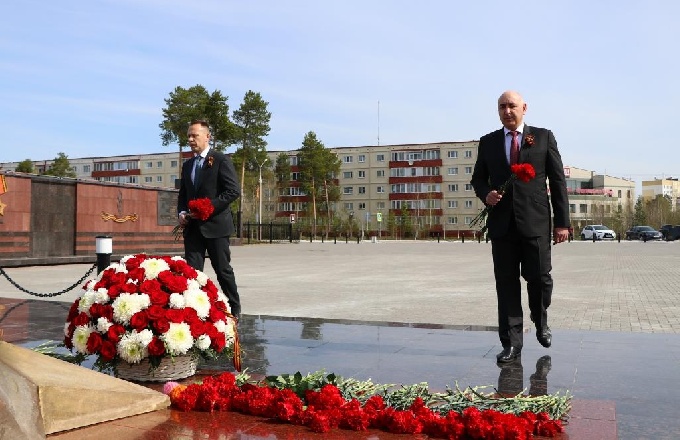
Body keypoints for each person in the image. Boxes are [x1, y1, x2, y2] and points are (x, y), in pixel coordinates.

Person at [470, 91, 570, 363]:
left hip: (536, 223)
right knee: (506, 285)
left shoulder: (543, 137)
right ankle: (512, 343)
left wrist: (563, 222)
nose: (507, 111)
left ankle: (540, 321)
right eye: (502, 107)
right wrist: (486, 193)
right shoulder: (488, 142)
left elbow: (558, 182)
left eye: (511, 106)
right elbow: (478, 178)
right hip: (502, 226)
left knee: (540, 278)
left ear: (524, 108)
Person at [177, 119, 242, 319]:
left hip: (216, 226)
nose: (190, 139)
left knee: (222, 270)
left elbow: (232, 191)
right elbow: (184, 195)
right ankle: (195, 310)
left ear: (207, 136)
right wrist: (181, 213)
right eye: (188, 136)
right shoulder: (188, 165)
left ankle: (234, 308)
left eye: (194, 135)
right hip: (193, 228)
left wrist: (208, 207)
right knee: (192, 272)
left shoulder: (221, 160)